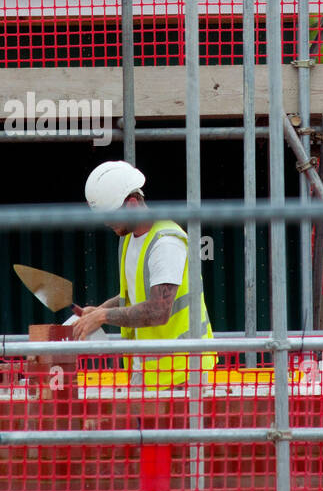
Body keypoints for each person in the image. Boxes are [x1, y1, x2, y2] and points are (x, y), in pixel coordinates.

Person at [71, 161, 216, 387]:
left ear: (130, 204)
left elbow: (158, 310)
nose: (106, 222)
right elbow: (134, 296)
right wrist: (99, 310)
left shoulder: (165, 243)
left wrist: (102, 317)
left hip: (183, 373)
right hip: (149, 372)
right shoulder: (129, 238)